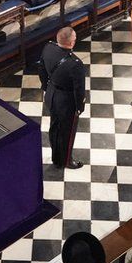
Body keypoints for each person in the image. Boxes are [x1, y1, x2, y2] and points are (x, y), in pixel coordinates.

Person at [38, 26, 86, 169]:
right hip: (66, 101)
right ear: (71, 43)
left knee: (55, 126)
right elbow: (79, 90)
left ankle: (56, 156)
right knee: (67, 132)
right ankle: (65, 160)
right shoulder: (75, 64)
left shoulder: (48, 48)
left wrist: (46, 88)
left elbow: (41, 69)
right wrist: (79, 107)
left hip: (52, 94)